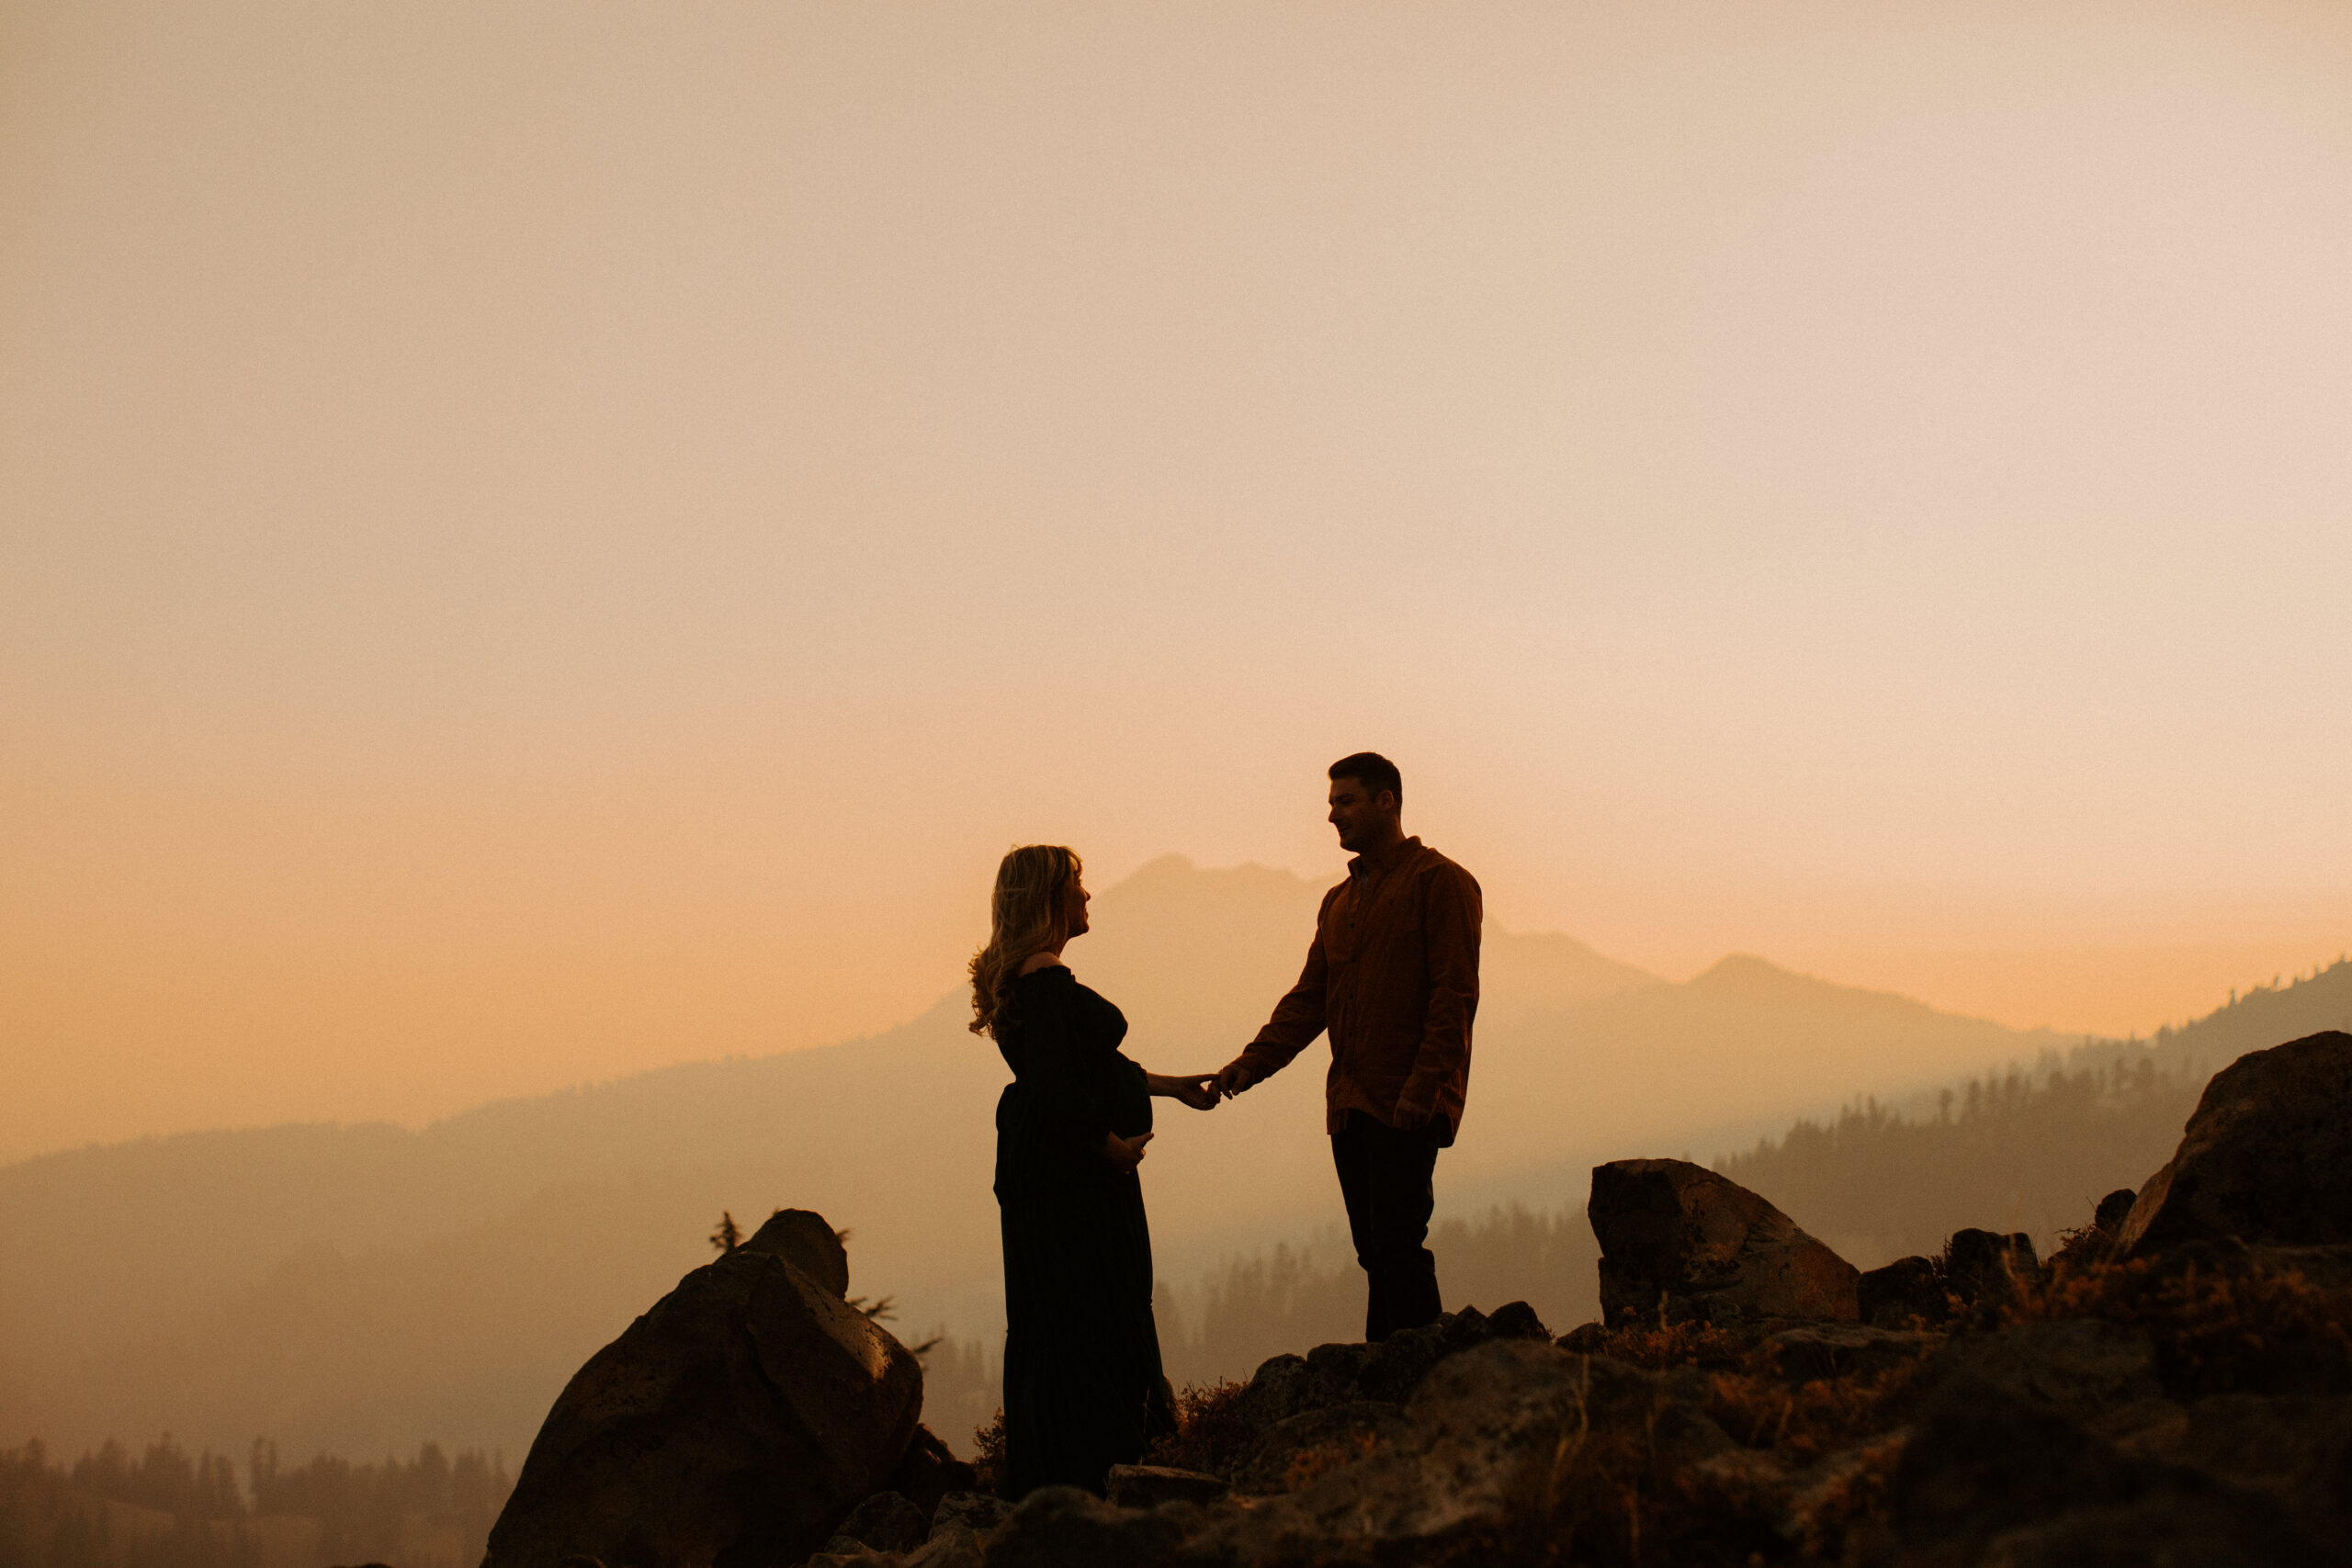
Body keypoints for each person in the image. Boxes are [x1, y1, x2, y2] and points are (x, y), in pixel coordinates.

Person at [969, 843, 1222, 1498]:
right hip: (1073, 1188)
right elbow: (1059, 1088)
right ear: (1050, 898)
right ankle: (1104, 1464)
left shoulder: (1027, 983)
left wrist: (1169, 1088)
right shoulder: (1047, 981)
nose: (1088, 896)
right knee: (1094, 1310)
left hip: (1044, 1178)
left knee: (1055, 1318)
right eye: (1078, 885)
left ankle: (1059, 1471)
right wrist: (1105, 1145)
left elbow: (1088, 1070)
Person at [1215, 753, 1482, 1343]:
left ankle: (1421, 1378)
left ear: (1387, 801)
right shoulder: (1339, 902)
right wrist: (1249, 1064)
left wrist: (1424, 1088)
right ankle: (1387, 1383)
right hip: (1350, 1103)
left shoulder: (1440, 882)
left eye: (1345, 801)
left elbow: (1454, 995)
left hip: (1405, 1099)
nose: (1333, 815)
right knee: (1373, 1250)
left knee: (1397, 1243)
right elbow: (1310, 999)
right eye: (1332, 803)